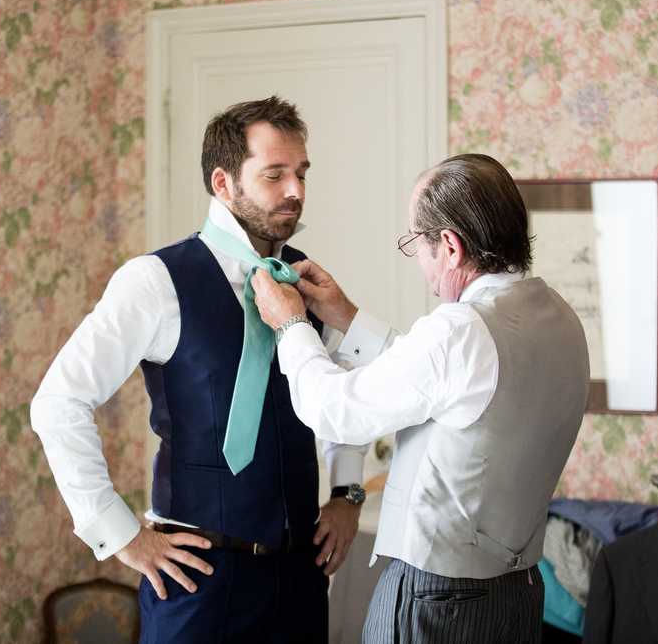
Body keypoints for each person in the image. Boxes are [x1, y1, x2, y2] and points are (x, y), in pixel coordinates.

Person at [30, 96, 369, 644]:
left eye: (301, 173)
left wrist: (348, 494)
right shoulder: (154, 281)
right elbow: (57, 402)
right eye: (274, 175)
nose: (296, 192)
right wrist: (119, 535)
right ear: (223, 183)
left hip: (299, 581)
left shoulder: (306, 280)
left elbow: (346, 385)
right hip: (198, 582)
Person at [252, 153, 591, 644]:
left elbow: (334, 410)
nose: (419, 261)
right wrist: (347, 316)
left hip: (439, 601)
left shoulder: (460, 331)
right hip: (518, 595)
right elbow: (448, 388)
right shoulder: (561, 320)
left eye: (416, 243)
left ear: (450, 246)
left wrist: (289, 325)